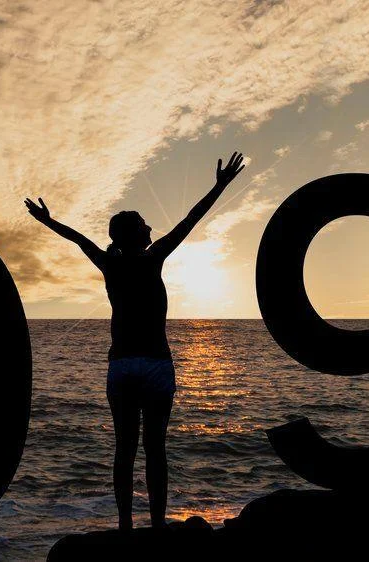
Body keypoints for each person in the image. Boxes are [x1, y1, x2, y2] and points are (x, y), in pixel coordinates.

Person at [25, 152, 245, 531]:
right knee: (154, 450)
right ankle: (157, 526)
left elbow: (78, 239)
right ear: (135, 234)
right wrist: (220, 186)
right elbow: (189, 221)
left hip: (123, 366)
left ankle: (126, 525)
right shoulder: (152, 258)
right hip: (156, 363)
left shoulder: (111, 264)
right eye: (145, 225)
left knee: (124, 450)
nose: (151, 228)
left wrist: (49, 222)